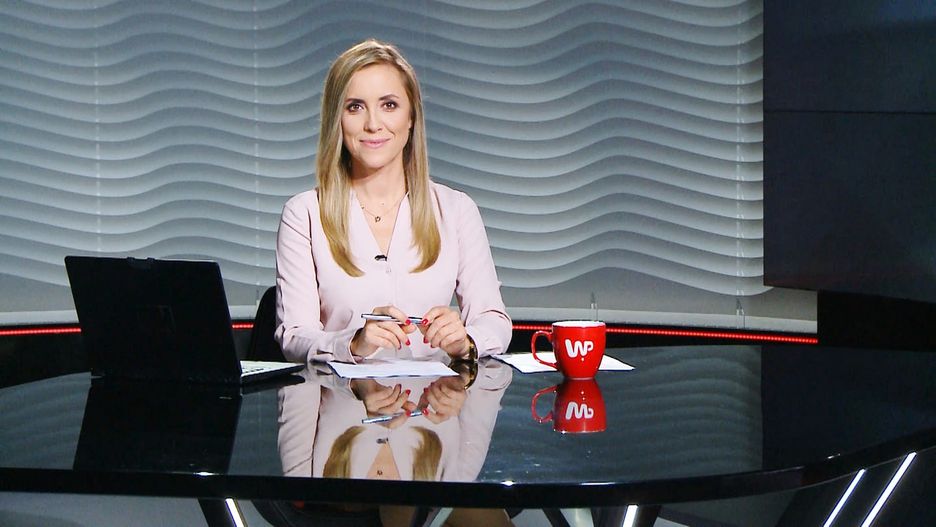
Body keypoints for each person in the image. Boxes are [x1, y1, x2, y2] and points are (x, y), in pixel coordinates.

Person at [274, 39, 512, 370]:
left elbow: (493, 320)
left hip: (435, 400)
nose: (373, 124)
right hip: (340, 399)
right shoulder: (304, 214)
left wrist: (466, 340)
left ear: (411, 117)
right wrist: (352, 342)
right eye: (355, 107)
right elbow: (294, 336)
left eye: (389, 105)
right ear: (336, 119)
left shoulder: (456, 210)